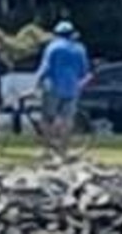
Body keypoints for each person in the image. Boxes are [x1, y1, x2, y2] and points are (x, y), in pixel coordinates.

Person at [34, 21, 90, 155]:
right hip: (72, 89)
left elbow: (45, 68)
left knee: (47, 119)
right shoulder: (80, 49)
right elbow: (84, 71)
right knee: (67, 119)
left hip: (53, 87)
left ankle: (48, 148)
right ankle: (63, 149)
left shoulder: (53, 48)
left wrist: (37, 83)